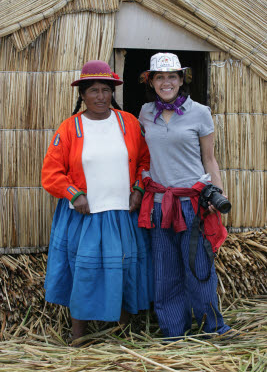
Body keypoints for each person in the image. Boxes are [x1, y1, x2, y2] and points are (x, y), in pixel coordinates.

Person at [42, 60, 153, 342]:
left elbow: (144, 160)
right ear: (82, 95)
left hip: (122, 213)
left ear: (112, 92)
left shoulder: (128, 123)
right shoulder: (70, 129)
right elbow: (51, 173)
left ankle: (122, 333)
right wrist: (74, 194)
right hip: (85, 216)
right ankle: (78, 336)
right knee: (85, 272)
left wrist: (139, 188)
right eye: (93, 90)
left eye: (106, 89)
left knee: (124, 270)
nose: (101, 96)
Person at [138, 52, 231, 339]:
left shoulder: (199, 112)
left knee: (198, 268)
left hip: (193, 203)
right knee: (165, 272)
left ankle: (212, 329)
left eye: (172, 77)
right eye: (160, 77)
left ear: (181, 80)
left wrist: (217, 195)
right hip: (159, 205)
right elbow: (144, 156)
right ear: (151, 81)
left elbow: (209, 159)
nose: (166, 82)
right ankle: (173, 332)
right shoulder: (145, 112)